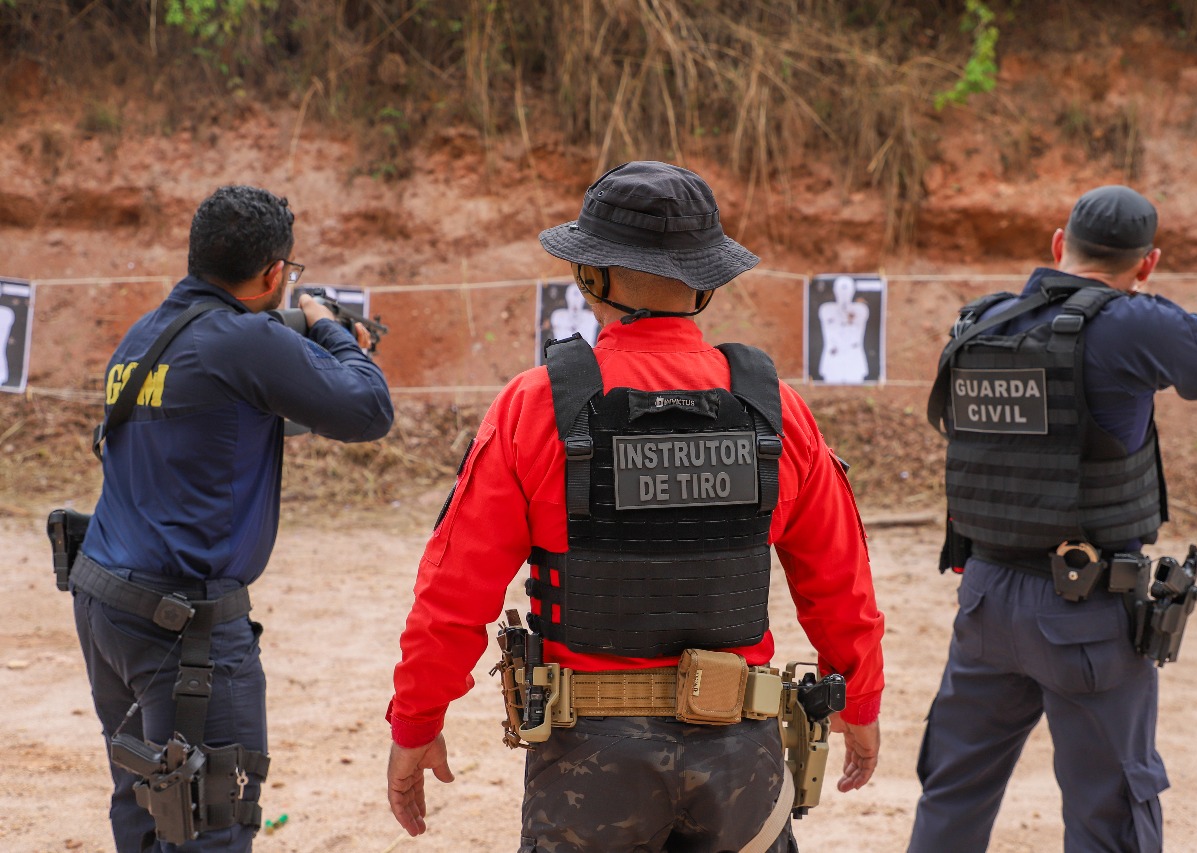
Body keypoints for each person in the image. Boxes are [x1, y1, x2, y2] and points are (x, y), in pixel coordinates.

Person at [385, 161, 885, 852]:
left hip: (589, 761)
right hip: (742, 754)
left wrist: (417, 719)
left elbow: (454, 589)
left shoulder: (536, 406)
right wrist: (860, 697)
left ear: (591, 277)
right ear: (705, 282)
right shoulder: (774, 410)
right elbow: (840, 577)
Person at [911, 185, 1197, 852]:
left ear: (1058, 244)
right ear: (1147, 262)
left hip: (984, 601)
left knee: (951, 796)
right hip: (1086, 611)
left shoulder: (980, 320)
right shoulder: (1132, 323)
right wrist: (1152, 311)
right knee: (1111, 814)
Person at [69, 185, 395, 851]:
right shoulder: (246, 340)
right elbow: (368, 410)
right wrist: (329, 328)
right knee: (210, 822)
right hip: (184, 628)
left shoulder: (144, 333)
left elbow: (237, 421)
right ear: (274, 274)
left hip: (107, 604)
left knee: (146, 804)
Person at [817, 275, 870, 384]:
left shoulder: (861, 309)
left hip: (853, 356)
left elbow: (853, 319)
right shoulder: (826, 309)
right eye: (841, 289)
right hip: (833, 355)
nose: (844, 293)